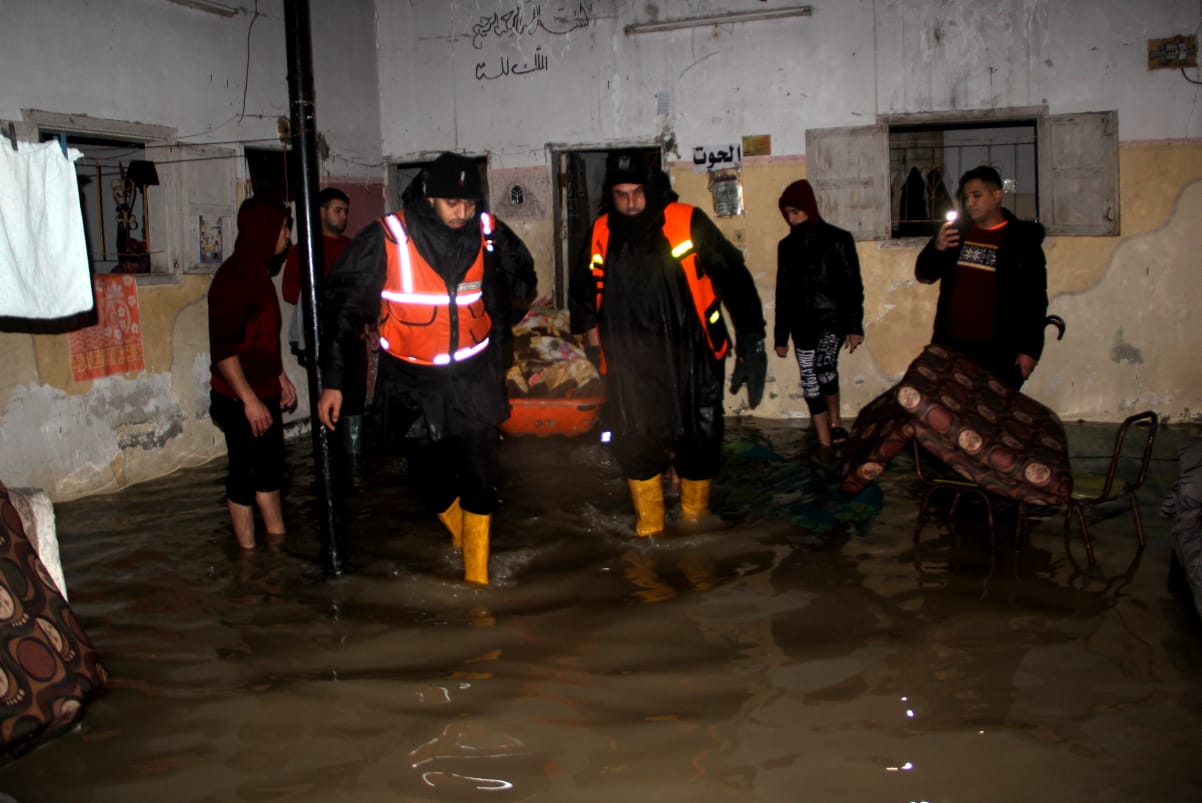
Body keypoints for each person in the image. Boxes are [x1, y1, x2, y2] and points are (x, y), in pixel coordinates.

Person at [315, 151, 534, 585]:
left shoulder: (487, 232)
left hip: (472, 375)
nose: (463, 213)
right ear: (430, 196)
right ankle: (460, 535)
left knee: (479, 473)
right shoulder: (388, 237)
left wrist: (500, 321)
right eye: (453, 203)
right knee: (426, 477)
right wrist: (334, 382)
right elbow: (340, 309)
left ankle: (477, 580)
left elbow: (523, 283)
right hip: (410, 380)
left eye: (470, 204)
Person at [569, 149, 766, 537]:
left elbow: (734, 279)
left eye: (637, 192)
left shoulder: (686, 221)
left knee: (699, 442)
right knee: (635, 442)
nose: (630, 203)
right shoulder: (601, 231)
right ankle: (650, 533)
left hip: (692, 358)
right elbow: (582, 294)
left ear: (653, 187)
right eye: (620, 194)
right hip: (631, 364)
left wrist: (751, 340)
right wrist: (594, 343)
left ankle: (695, 524)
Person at [207, 196, 298, 550]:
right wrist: (249, 400)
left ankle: (277, 540)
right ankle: (248, 554)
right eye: (283, 228)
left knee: (271, 469)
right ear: (264, 230)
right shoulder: (233, 279)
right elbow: (225, 350)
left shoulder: (258, 273)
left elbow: (259, 339)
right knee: (244, 474)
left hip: (264, 390)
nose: (287, 236)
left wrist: (279, 376)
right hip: (237, 398)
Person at [915, 165, 1048, 389]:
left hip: (999, 349)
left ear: (997, 195)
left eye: (976, 195)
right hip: (953, 343)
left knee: (993, 416)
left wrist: (1030, 350)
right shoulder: (957, 233)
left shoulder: (1021, 241)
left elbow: (1035, 299)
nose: (970, 203)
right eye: (966, 197)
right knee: (951, 412)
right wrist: (937, 247)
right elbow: (924, 274)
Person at [773, 179, 864, 449]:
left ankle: (836, 424)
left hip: (831, 321)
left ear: (809, 209)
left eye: (796, 212)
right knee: (810, 381)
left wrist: (854, 325)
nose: (791, 219)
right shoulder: (786, 246)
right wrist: (781, 335)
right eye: (787, 214)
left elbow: (852, 285)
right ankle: (824, 441)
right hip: (802, 324)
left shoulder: (838, 239)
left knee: (824, 367)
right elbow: (783, 292)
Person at [280, 188, 368, 453]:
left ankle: (354, 455)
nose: (343, 217)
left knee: (355, 397)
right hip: (322, 339)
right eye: (337, 210)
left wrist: (366, 325)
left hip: (353, 337)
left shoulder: (350, 246)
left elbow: (364, 289)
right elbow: (290, 292)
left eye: (345, 211)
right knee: (327, 395)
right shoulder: (303, 251)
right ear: (321, 211)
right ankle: (329, 455)